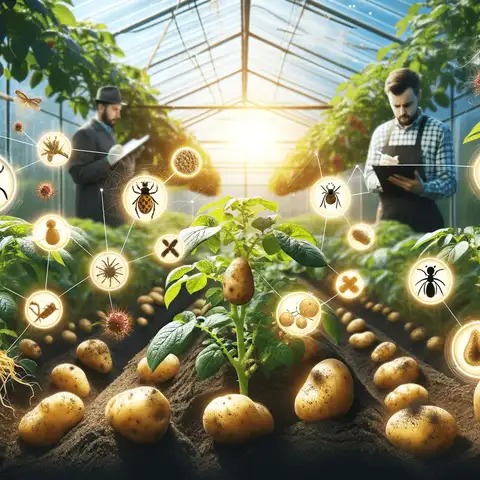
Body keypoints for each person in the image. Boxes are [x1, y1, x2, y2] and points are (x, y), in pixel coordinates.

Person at [364, 68, 456, 232]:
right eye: (396, 106)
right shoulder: (381, 133)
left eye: (407, 105)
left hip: (426, 228)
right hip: (388, 228)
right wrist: (382, 176)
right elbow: (368, 178)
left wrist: (423, 189)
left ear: (418, 95)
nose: (402, 112)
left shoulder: (439, 131)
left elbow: (450, 183)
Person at [68, 86, 139, 227]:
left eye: (119, 110)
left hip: (114, 215)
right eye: (114, 109)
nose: (118, 115)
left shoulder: (108, 134)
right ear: (101, 108)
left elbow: (112, 172)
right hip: (96, 218)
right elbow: (78, 174)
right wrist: (108, 161)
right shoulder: (85, 134)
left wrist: (128, 163)